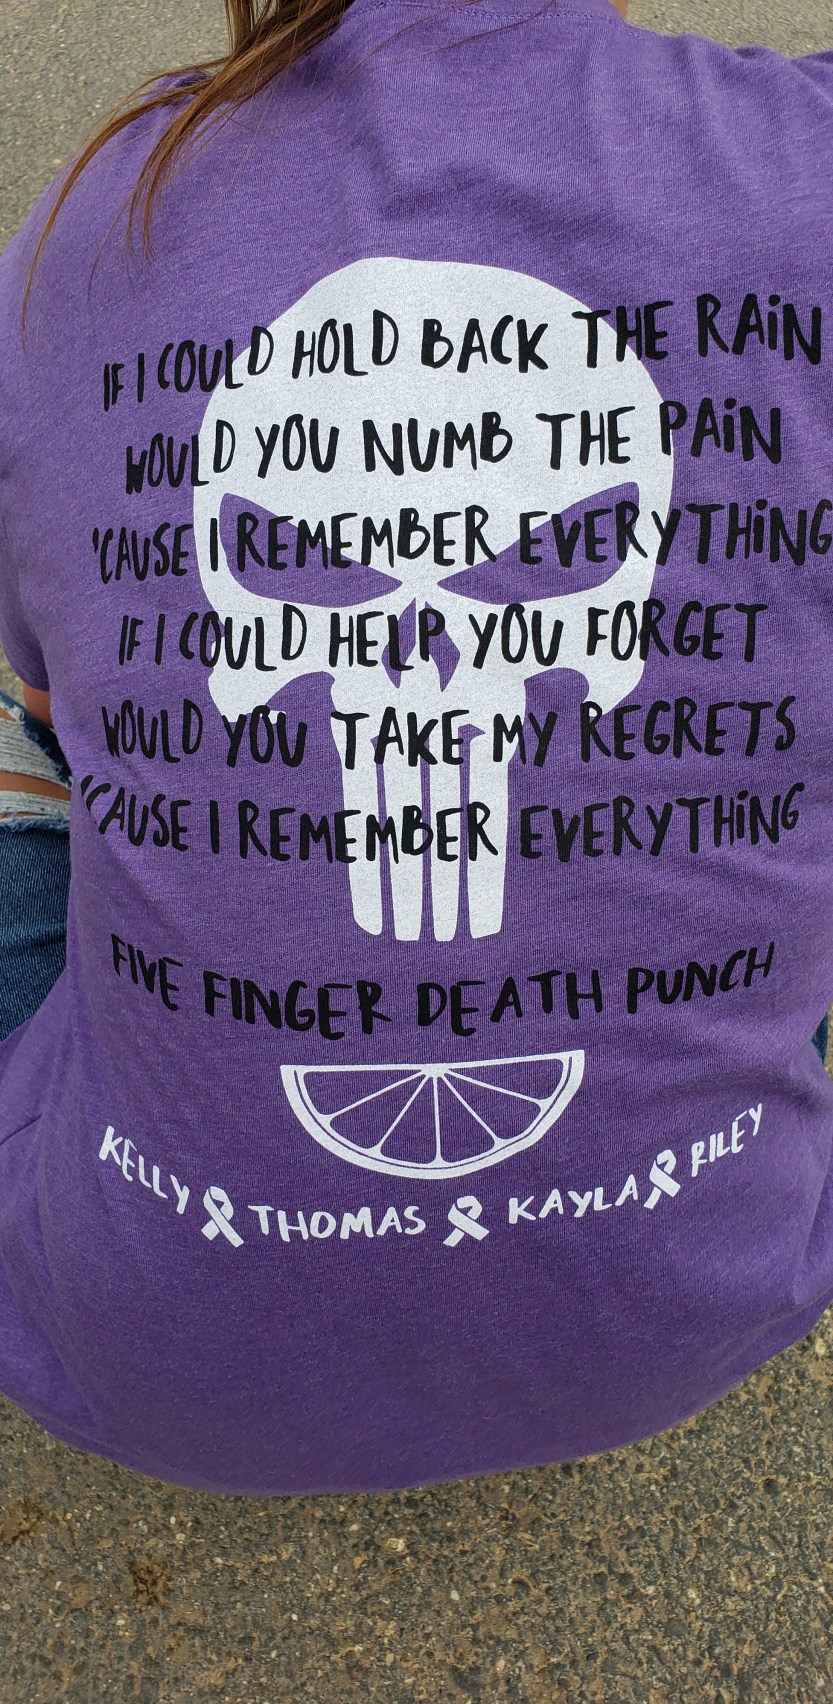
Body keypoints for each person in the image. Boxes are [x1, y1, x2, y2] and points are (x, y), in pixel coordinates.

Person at [1, 0, 832, 1499]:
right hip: (705, 1294)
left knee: (34, 756)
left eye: (549, 562)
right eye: (307, 570)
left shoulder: (75, 236)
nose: (424, 653)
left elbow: (60, 707)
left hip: (139, 1336)